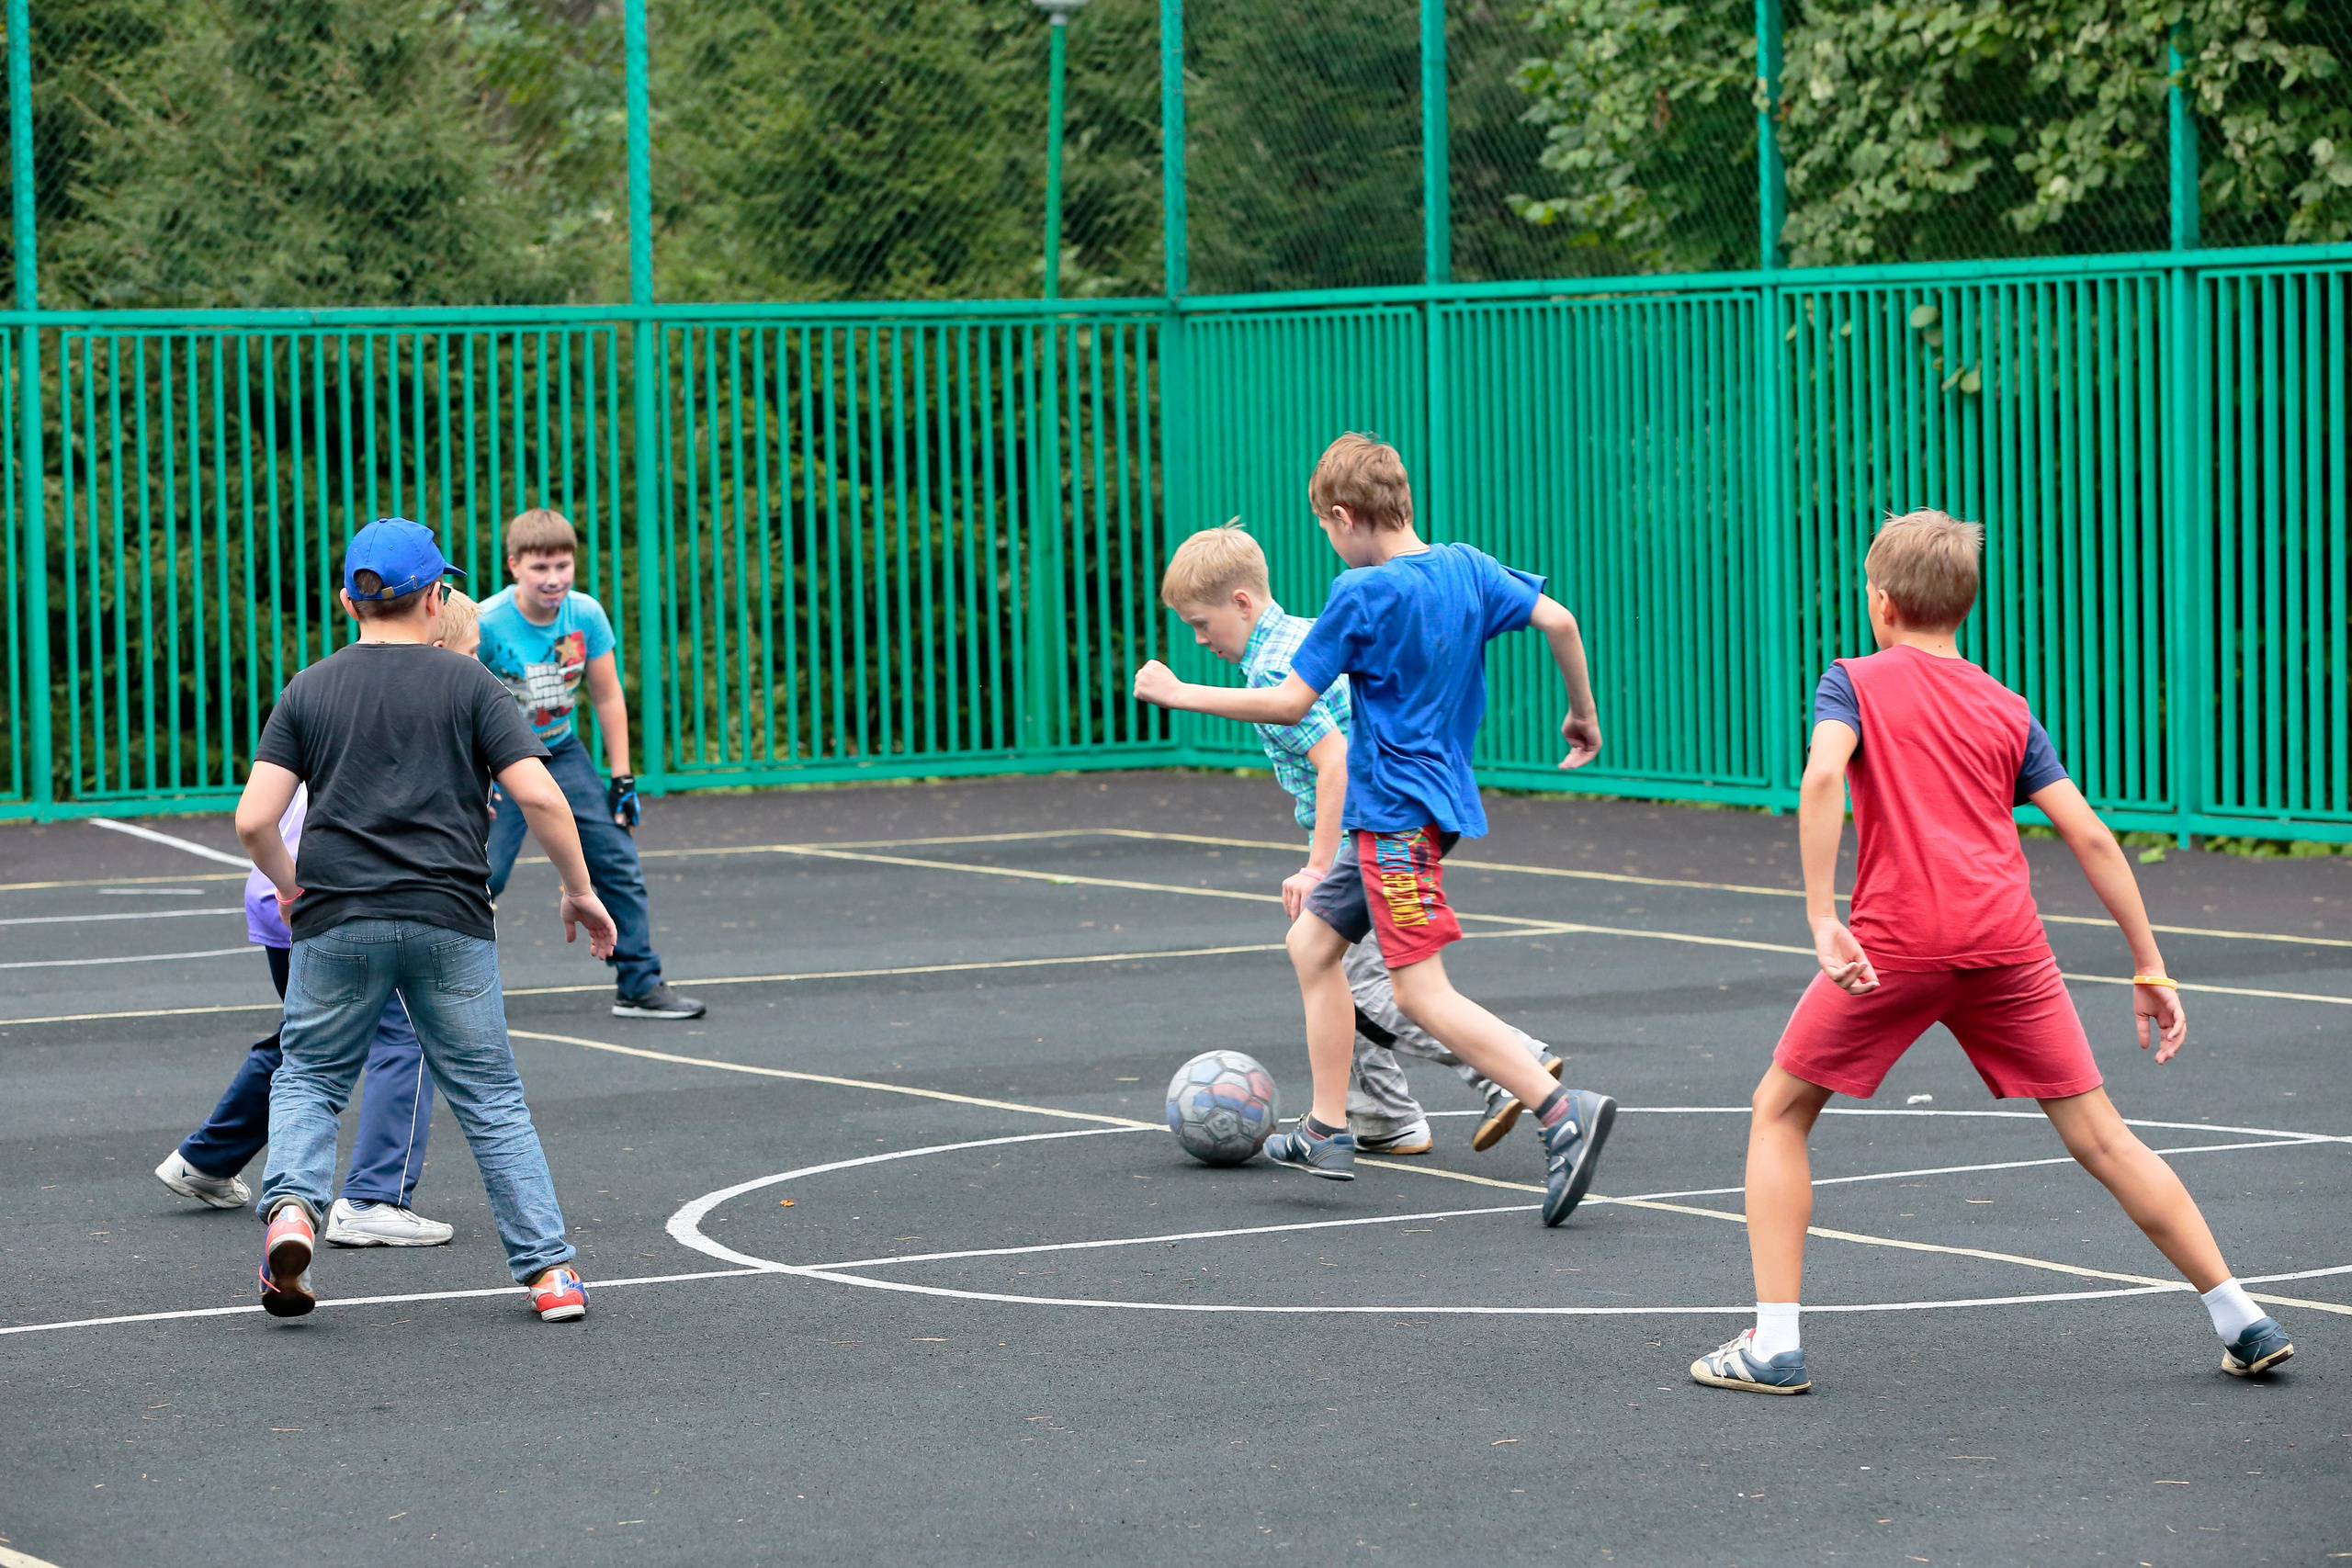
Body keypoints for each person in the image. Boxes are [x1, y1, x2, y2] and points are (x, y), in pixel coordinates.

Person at [1689, 510, 2294, 1394]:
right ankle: (2241, 1315)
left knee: (1778, 1111)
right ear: (1963, 608)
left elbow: (1824, 776)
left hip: (1898, 941)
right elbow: (2087, 833)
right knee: (2104, 1137)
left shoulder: (1851, 680)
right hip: (2008, 943)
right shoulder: (2007, 706)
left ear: (1882, 602)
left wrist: (1823, 916)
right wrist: (2148, 961)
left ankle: (1774, 1343)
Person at [1134, 434, 1615, 1225]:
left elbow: (1292, 704)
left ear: (1345, 515)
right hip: (1415, 807)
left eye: (1327, 528)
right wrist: (1582, 714)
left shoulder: (1361, 593)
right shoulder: (1467, 565)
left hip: (1397, 818)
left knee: (1418, 992)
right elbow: (1560, 621)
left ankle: (1559, 1106)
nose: (1330, 542)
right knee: (1313, 944)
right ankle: (1328, 1128)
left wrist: (1182, 693)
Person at [235, 517, 618, 1325]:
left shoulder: (309, 687)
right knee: (489, 1093)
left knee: (309, 1075)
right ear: (437, 593)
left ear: (349, 600)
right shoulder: (470, 685)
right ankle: (550, 1273)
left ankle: (295, 1213)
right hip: (449, 918)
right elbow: (542, 795)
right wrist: (579, 889)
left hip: (339, 917)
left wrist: (290, 885)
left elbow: (254, 819)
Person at [1156, 522, 1566, 1156]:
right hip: (1397, 812)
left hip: (1378, 823)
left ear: (1240, 602)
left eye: (1201, 624)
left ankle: (1514, 1068)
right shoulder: (1302, 629)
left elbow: (1336, 760)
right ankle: (1380, 1114)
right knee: (1332, 961)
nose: (1200, 638)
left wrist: (1318, 864)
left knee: (1374, 986)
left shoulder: (1271, 664)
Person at [154, 590, 491, 1247]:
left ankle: (206, 1157)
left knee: (307, 1044)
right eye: (476, 656)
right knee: (406, 1035)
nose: (483, 671)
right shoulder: (428, 712)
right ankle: (373, 1196)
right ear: (441, 651)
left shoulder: (343, 695)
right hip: (328, 898)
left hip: (285, 893)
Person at [476, 508, 703, 1021]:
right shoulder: (487, 623)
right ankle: (433, 995)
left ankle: (639, 982)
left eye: (562, 565)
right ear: (514, 565)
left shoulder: (585, 614)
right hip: (500, 760)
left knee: (616, 860)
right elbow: (455, 703)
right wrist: (473, 778)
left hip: (561, 749)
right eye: (540, 568)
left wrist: (622, 777)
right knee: (482, 875)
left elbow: (606, 696)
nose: (553, 578)